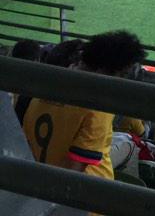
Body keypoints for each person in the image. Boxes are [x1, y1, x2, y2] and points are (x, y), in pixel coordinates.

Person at [21, 30, 146, 181]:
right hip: (88, 197)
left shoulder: (44, 89)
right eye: (124, 75)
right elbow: (74, 171)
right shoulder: (98, 105)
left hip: (40, 182)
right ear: (106, 71)